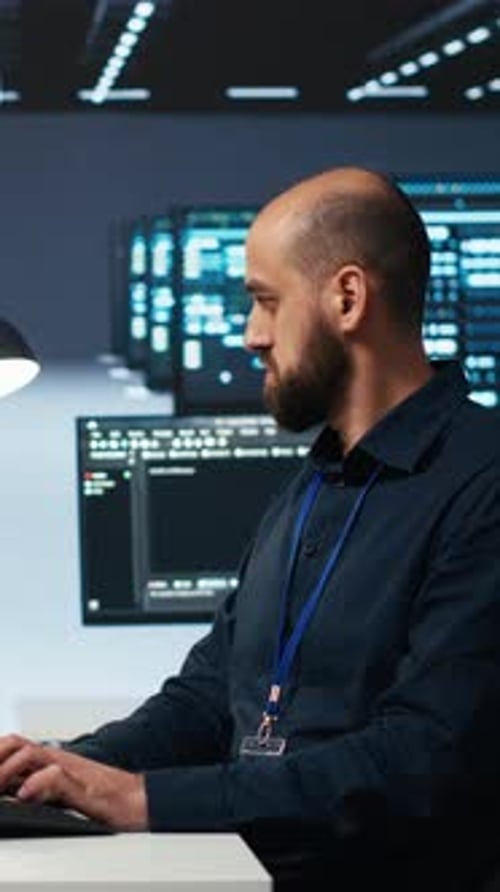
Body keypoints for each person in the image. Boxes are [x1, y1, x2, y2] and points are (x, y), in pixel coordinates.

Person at [0, 166, 499, 890]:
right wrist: (58, 766)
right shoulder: (312, 485)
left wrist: (141, 799)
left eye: (265, 301)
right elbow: (208, 700)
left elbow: (423, 760)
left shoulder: (481, 485)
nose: (250, 334)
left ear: (348, 298)